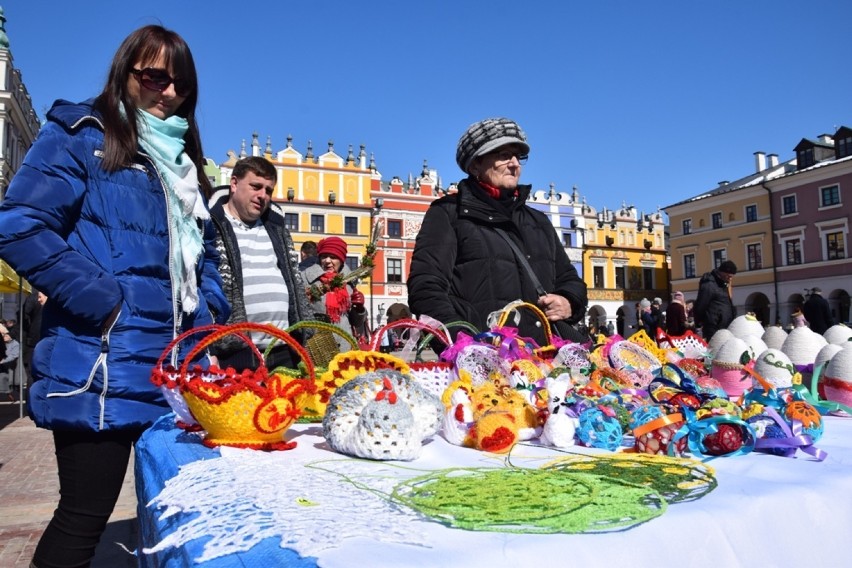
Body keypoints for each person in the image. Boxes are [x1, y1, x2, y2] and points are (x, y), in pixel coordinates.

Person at [0, 25, 229, 568]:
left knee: (177, 513)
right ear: (125, 73)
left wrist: (210, 308)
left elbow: (208, 255)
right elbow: (19, 223)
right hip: (101, 363)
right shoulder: (82, 134)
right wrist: (103, 300)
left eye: (181, 83)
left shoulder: (187, 166)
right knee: (83, 519)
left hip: (176, 372)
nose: (168, 91)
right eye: (154, 76)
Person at [408, 117, 588, 346]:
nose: (514, 164)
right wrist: (465, 345)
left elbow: (570, 279)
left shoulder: (538, 221)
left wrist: (568, 301)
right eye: (503, 155)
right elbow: (426, 288)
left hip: (544, 357)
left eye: (518, 156)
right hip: (484, 360)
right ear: (475, 165)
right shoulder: (448, 213)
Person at [208, 156, 314, 371]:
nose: (262, 196)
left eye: (268, 190)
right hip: (236, 351)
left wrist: (304, 331)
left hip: (284, 348)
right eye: (256, 186)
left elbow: (293, 281)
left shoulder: (276, 227)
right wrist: (209, 350)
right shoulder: (211, 226)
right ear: (234, 183)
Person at [301, 236, 367, 348]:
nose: (327, 261)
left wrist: (359, 309)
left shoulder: (349, 282)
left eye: (332, 257)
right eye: (324, 256)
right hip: (317, 348)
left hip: (345, 346)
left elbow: (356, 323)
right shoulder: (305, 279)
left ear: (341, 260)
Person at [694, 260, 737, 340]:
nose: (730, 279)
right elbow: (701, 304)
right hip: (713, 326)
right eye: (729, 276)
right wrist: (698, 323)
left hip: (723, 327)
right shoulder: (709, 284)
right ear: (723, 272)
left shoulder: (722, 284)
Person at [22, 290, 47, 387]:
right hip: (37, 341)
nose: (39, 299)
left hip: (34, 342)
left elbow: (24, 317)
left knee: (33, 375)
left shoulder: (33, 297)